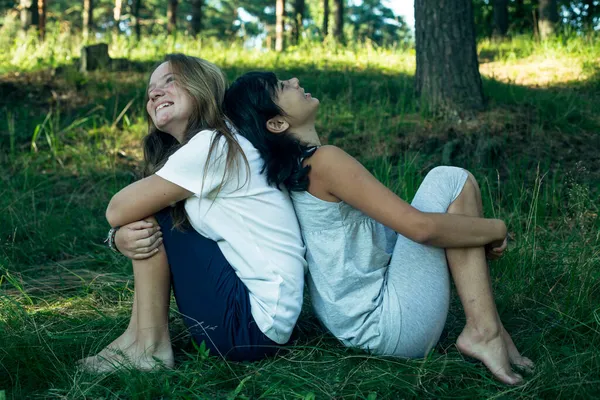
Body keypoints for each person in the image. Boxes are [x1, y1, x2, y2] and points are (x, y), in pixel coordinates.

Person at [222, 72, 535, 385]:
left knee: (450, 204)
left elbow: (403, 230)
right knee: (451, 180)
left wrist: (470, 232)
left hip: (358, 327)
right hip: (388, 324)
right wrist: (496, 226)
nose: (293, 80)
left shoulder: (298, 172)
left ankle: (490, 327)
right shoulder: (323, 162)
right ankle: (484, 331)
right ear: (276, 124)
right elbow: (420, 228)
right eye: (281, 86)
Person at [79, 56, 307, 372]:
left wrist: (118, 235)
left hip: (250, 326)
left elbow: (118, 209)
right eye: (150, 91)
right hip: (264, 323)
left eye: (169, 81)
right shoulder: (220, 142)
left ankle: (149, 347)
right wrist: (119, 237)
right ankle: (136, 338)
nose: (155, 93)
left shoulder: (213, 145)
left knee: (147, 212)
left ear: (202, 87)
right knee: (151, 210)